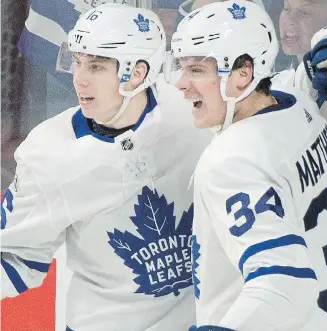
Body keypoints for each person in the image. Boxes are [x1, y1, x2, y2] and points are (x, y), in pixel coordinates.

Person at [1, 3, 211, 331]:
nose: (79, 80)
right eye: (77, 62)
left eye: (96, 67)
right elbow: (12, 258)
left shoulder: (191, 108)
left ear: (138, 73)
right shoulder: (50, 154)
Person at [166, 1, 327, 330]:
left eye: (197, 70)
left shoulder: (229, 161)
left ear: (243, 74)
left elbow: (283, 286)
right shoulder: (294, 101)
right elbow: (318, 68)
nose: (181, 83)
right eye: (182, 66)